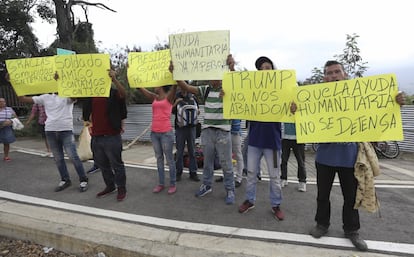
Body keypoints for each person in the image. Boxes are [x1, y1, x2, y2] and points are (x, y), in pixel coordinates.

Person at [290, 60, 405, 251]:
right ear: (324, 78)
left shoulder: (358, 98)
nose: (333, 75)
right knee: (322, 196)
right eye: (329, 73)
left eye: (337, 72)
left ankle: (352, 231)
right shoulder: (315, 100)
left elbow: (378, 113)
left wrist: (395, 103)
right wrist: (295, 111)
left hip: (350, 159)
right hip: (324, 159)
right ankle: (321, 225)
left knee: (351, 197)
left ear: (345, 75)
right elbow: (303, 120)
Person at [170, 54, 236, 205]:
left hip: (223, 132)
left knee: (226, 163)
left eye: (218, 76)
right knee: (207, 162)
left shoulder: (228, 88)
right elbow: (186, 87)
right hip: (207, 132)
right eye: (212, 76)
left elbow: (237, 83)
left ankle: (230, 189)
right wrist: (176, 74)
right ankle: (206, 185)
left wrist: (232, 67)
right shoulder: (205, 90)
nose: (215, 79)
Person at [238, 56, 284, 220]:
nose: (265, 70)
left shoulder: (281, 91)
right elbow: (236, 90)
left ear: (273, 70)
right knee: (250, 173)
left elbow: (293, 107)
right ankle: (250, 200)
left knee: (274, 176)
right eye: (261, 68)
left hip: (272, 144)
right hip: (254, 142)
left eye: (268, 67)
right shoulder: (252, 92)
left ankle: (276, 204)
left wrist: (294, 106)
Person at [18, 91, 88, 192]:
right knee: (58, 158)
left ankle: (83, 179)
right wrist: (14, 82)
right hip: (50, 130)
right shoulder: (45, 97)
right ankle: (65, 179)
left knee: (73, 156)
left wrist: (62, 84)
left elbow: (74, 97)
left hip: (65, 130)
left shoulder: (67, 95)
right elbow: (22, 99)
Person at [82, 69, 128, 201]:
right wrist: (61, 81)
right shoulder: (91, 95)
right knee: (102, 165)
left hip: (112, 136)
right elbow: (73, 95)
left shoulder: (113, 93)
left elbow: (123, 94)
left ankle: (121, 188)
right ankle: (110, 185)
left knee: (117, 164)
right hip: (96, 137)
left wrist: (114, 79)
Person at [139, 84, 178, 195]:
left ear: (161, 86)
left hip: (166, 133)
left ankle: (172, 184)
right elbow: (141, 89)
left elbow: (175, 86)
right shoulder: (154, 97)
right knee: (159, 159)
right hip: (154, 133)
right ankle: (161, 183)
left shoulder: (169, 97)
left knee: (169, 159)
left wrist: (173, 72)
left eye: (157, 84)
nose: (154, 85)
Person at [172, 87, 200, 182]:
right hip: (180, 128)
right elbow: (171, 111)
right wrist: (176, 103)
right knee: (180, 151)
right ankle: (178, 173)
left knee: (192, 151)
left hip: (191, 128)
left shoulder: (193, 97)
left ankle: (193, 172)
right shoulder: (176, 97)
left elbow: (198, 111)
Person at [215, 119, 244, 187]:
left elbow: (237, 122)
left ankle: (239, 178)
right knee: (225, 155)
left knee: (238, 156)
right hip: (225, 132)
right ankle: (225, 175)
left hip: (235, 133)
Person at [280, 122, 307, 192]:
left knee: (300, 162)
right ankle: (283, 178)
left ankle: (302, 181)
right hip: (285, 137)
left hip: (299, 138)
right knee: (283, 160)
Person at [0, 97, 16, 162]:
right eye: (0, 101)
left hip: (6, 126)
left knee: (6, 142)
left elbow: (15, 118)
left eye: (3, 101)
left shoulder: (9, 109)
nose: (2, 103)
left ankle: (6, 156)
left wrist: (11, 121)